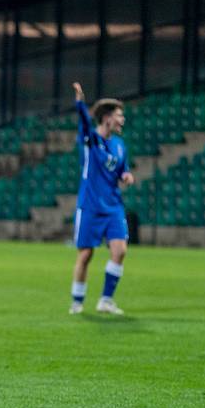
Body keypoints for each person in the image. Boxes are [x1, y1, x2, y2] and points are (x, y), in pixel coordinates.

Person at [69, 82, 134, 315]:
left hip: (113, 205)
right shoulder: (90, 140)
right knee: (85, 255)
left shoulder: (119, 145)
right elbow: (85, 122)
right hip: (90, 205)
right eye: (119, 116)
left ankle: (106, 299)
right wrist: (80, 102)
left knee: (120, 251)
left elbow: (122, 169)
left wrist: (126, 175)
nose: (122, 120)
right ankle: (77, 301)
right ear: (107, 118)